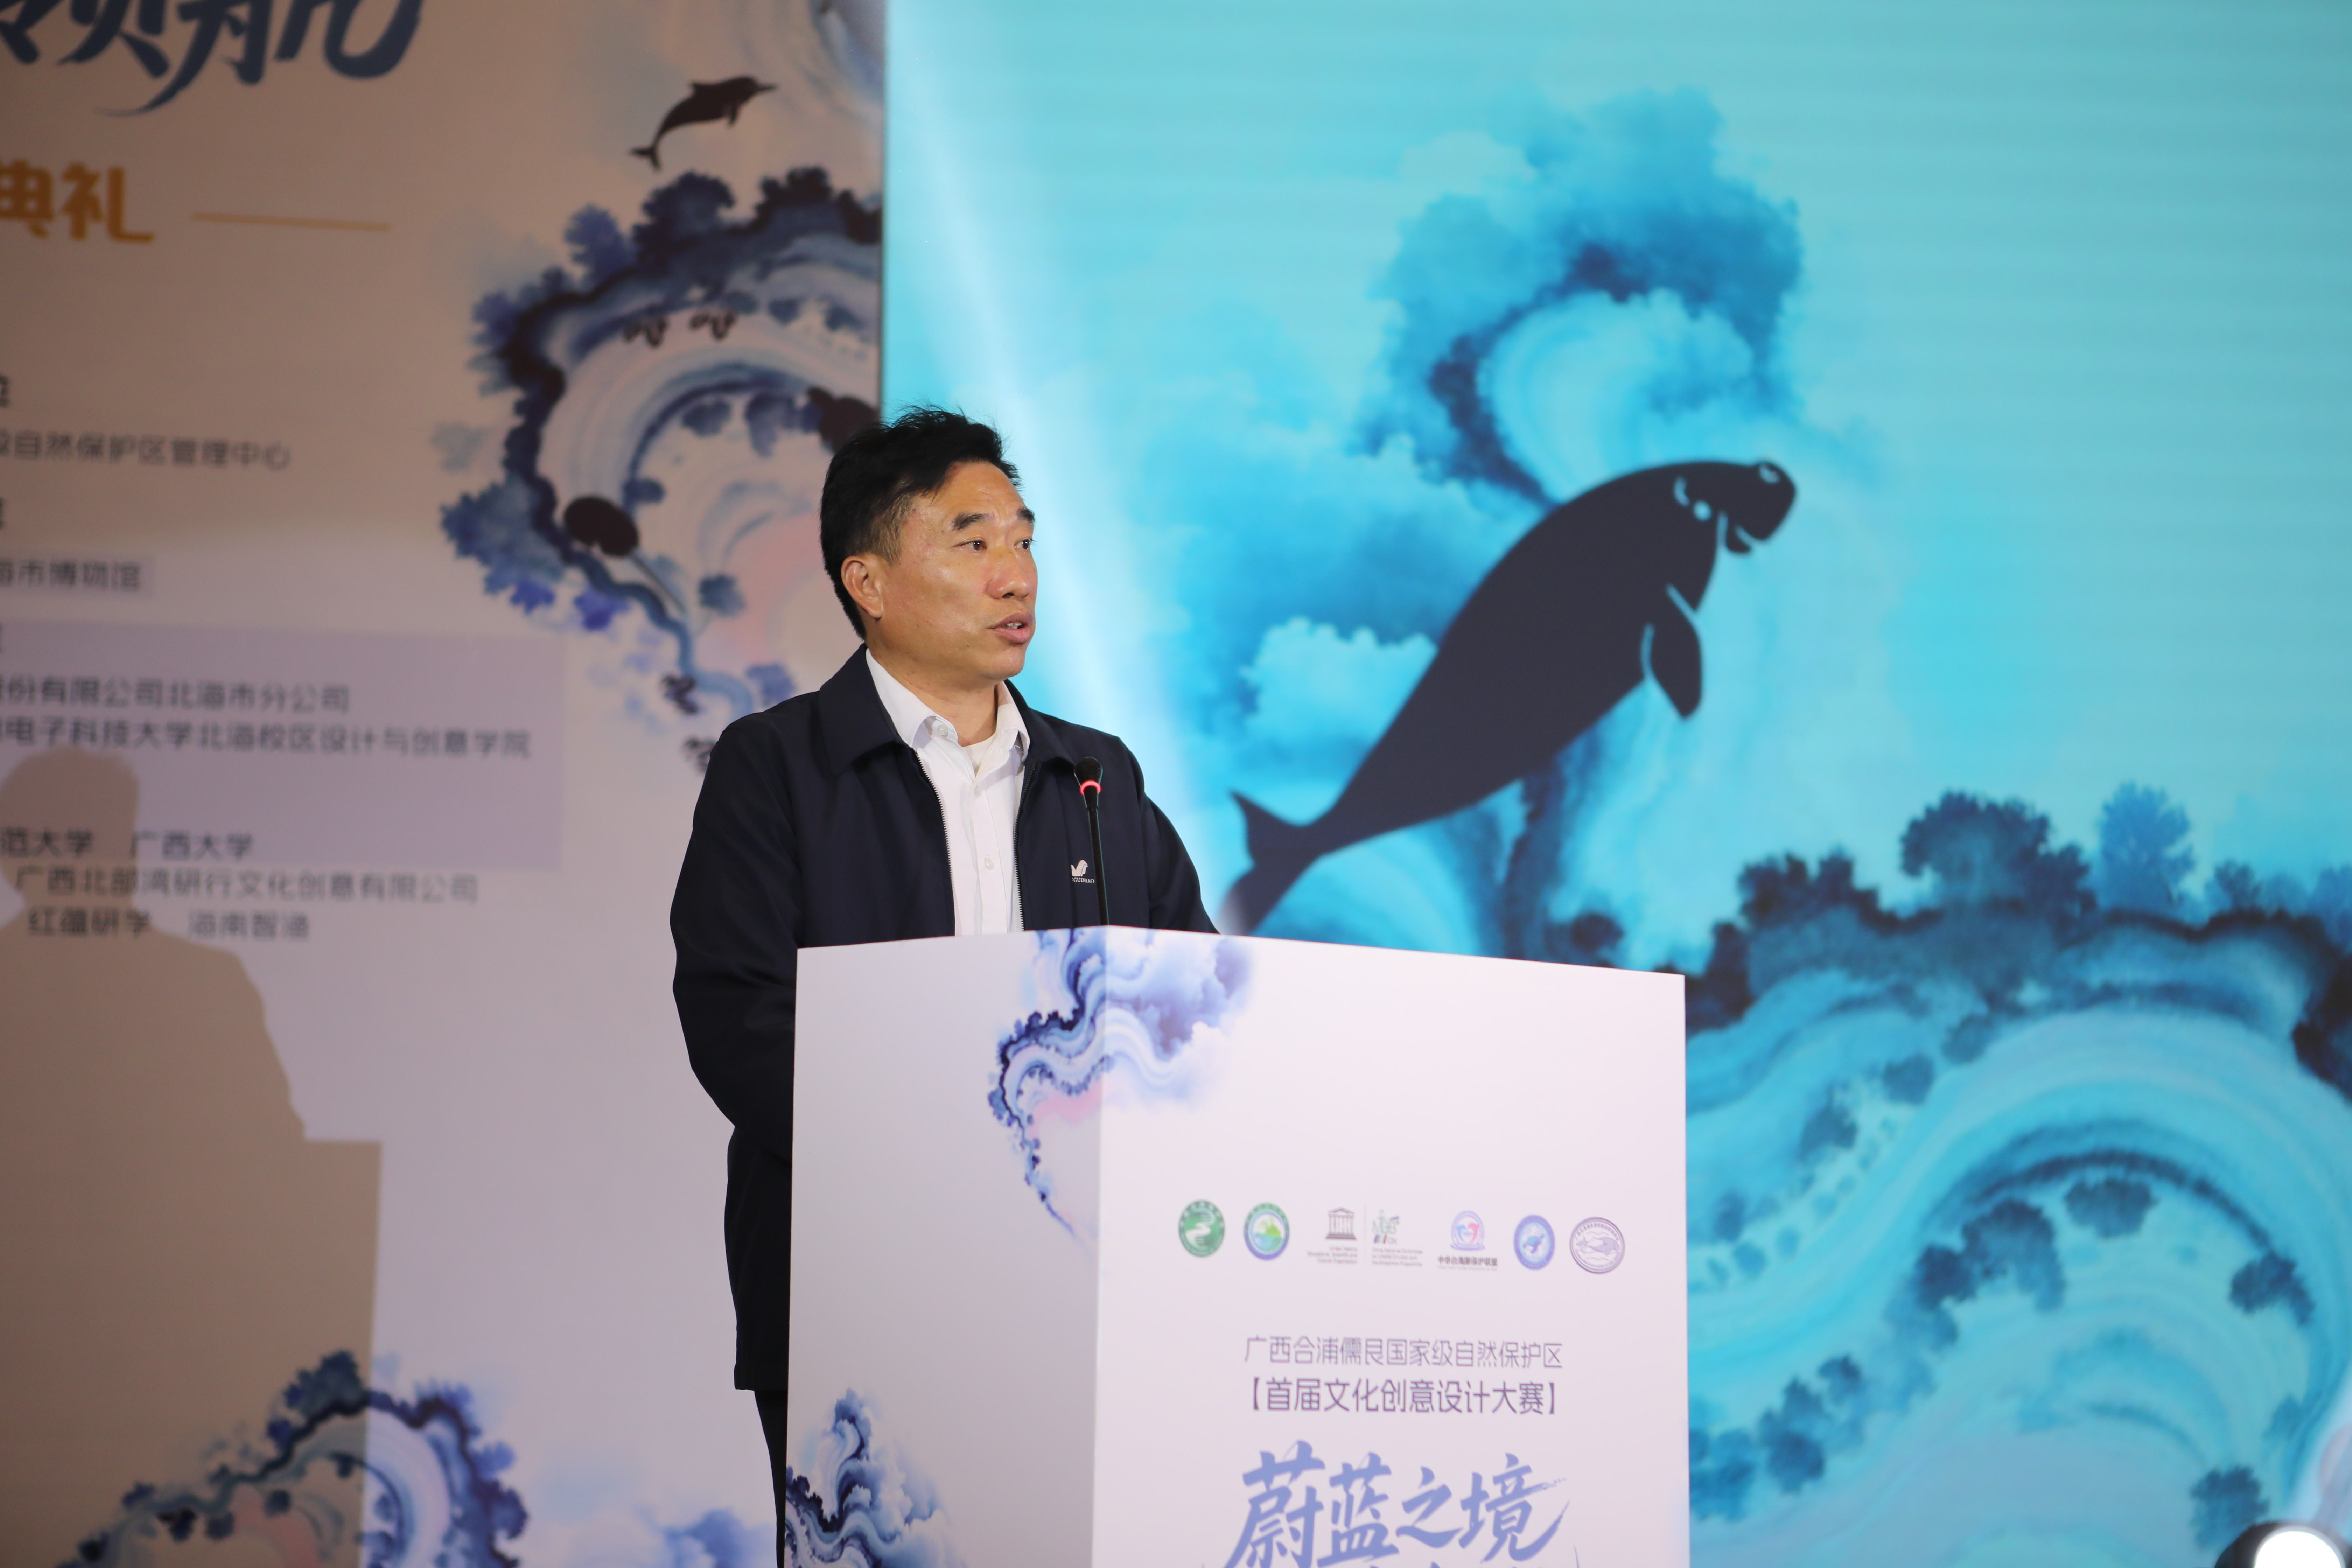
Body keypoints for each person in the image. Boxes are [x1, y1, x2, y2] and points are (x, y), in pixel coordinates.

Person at [668, 407, 1215, 1545]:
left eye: (1023, 540)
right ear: (868, 581)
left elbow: (1188, 1001)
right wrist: (948, 1167)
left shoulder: (1097, 778)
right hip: (856, 1280)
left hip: (1079, 1284)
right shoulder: (779, 767)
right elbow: (740, 1018)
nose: (1016, 574)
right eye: (973, 543)